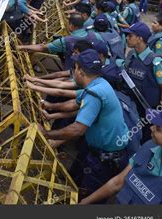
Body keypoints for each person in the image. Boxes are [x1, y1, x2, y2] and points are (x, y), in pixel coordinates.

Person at [39, 49, 129, 199]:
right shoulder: (100, 84)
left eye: (75, 67)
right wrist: (49, 106)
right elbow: (73, 104)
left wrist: (47, 134)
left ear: (80, 71)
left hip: (105, 159)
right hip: (100, 151)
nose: (73, 71)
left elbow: (77, 130)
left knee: (87, 196)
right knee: (76, 181)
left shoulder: (95, 93)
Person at [80, 107, 162, 205]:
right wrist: (84, 203)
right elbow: (118, 182)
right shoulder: (148, 147)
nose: (151, 128)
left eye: (158, 128)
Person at [119, 22, 162, 118]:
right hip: (131, 106)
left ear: (139, 38)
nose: (126, 38)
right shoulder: (131, 55)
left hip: (147, 111)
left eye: (130, 36)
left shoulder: (155, 62)